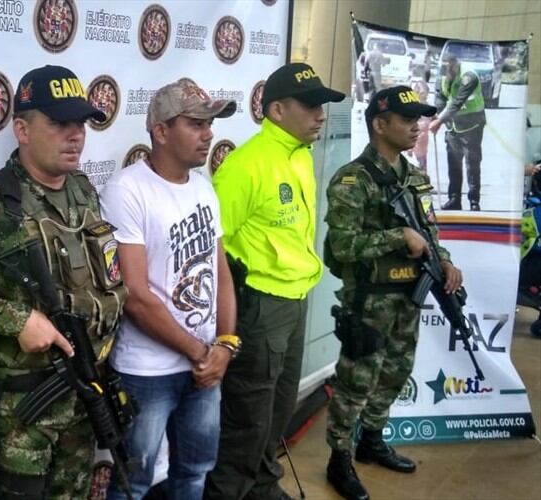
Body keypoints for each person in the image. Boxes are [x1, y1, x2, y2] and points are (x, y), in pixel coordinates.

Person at [0, 65, 128, 499]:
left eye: (81, 124)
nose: (75, 135)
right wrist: (16, 319)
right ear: (22, 128)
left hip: (85, 392)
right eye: (58, 124)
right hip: (24, 411)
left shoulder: (83, 191)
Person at [204, 62, 345, 500]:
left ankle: (263, 486)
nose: (320, 114)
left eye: (322, 105)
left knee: (279, 408)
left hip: (295, 299)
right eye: (310, 105)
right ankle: (230, 492)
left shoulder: (299, 155)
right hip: (261, 306)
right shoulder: (247, 165)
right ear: (277, 110)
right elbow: (215, 247)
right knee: (249, 417)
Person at [99, 78, 238, 500]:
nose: (209, 133)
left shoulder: (203, 186)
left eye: (210, 123)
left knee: (194, 473)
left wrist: (227, 345)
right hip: (148, 373)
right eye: (196, 123)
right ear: (161, 131)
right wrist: (203, 353)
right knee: (133, 484)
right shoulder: (127, 190)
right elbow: (136, 297)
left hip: (206, 365)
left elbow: (221, 271)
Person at [324, 86, 463, 500]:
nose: (415, 126)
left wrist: (445, 261)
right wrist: (395, 236)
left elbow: (429, 231)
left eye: (418, 119)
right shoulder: (352, 180)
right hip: (368, 301)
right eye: (406, 119)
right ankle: (339, 459)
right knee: (356, 381)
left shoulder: (415, 177)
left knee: (395, 373)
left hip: (408, 297)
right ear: (379, 124)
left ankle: (371, 441)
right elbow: (343, 247)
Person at [430, 53, 487, 211]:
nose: (446, 72)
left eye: (449, 67)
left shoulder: (469, 76)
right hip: (453, 125)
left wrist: (439, 120)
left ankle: (474, 201)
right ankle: (454, 199)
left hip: (472, 125)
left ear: (455, 65)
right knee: (453, 163)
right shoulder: (441, 75)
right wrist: (437, 115)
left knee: (472, 163)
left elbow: (457, 101)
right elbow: (440, 98)